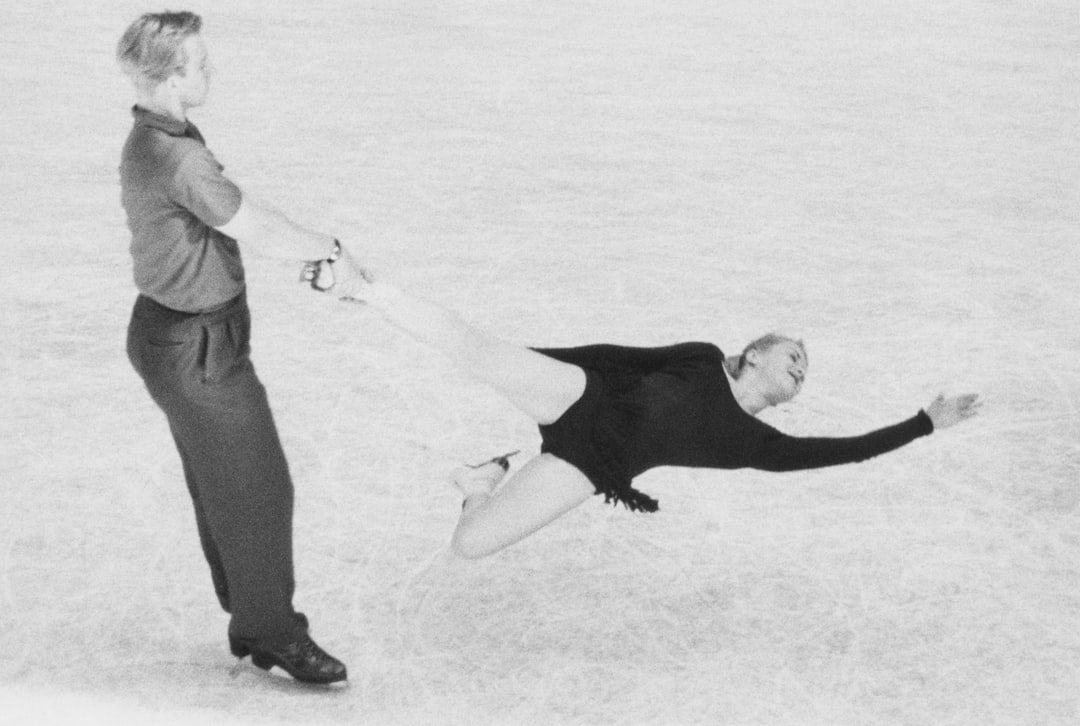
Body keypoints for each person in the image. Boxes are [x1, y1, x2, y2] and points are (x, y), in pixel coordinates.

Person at [307, 262, 981, 560]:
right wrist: (529, 359)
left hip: (591, 464)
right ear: (753, 354)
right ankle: (363, 287)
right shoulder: (702, 357)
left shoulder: (753, 444)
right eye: (792, 356)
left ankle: (479, 483)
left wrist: (924, 423)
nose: (801, 369)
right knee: (477, 351)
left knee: (470, 545)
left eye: (804, 372)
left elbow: (842, 450)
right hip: (581, 394)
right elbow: (617, 357)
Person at [116, 11, 363, 684]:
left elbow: (235, 209)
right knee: (258, 492)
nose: (210, 71)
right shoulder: (177, 157)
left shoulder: (159, 134)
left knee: (228, 487)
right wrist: (329, 250)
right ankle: (272, 633)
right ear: (172, 77)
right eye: (200, 63)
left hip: (181, 338)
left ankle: (253, 617)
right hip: (197, 351)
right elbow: (260, 229)